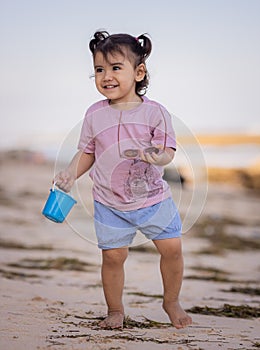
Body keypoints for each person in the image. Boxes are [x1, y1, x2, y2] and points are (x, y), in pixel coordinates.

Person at [54, 30, 192, 330]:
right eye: (99, 70)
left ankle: (171, 301)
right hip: (109, 201)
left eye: (116, 68)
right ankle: (115, 310)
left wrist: (153, 155)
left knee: (172, 249)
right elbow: (87, 152)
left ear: (138, 72)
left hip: (152, 198)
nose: (106, 76)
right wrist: (69, 173)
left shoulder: (155, 113)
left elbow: (167, 152)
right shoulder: (94, 114)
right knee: (114, 257)